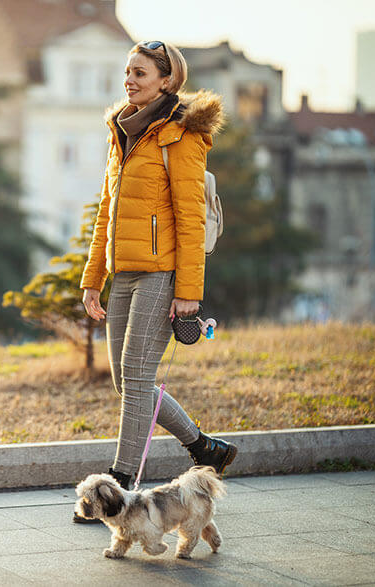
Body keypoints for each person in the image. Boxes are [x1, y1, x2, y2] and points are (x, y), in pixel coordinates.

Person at [74, 41, 236, 522]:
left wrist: (188, 291)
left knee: (139, 376)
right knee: (128, 383)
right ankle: (205, 447)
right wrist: (92, 276)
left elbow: (189, 216)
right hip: (123, 270)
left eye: (140, 73)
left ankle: (119, 485)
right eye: (127, 71)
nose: (129, 80)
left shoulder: (182, 136)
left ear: (167, 80)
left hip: (163, 270)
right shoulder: (121, 130)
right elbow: (107, 210)